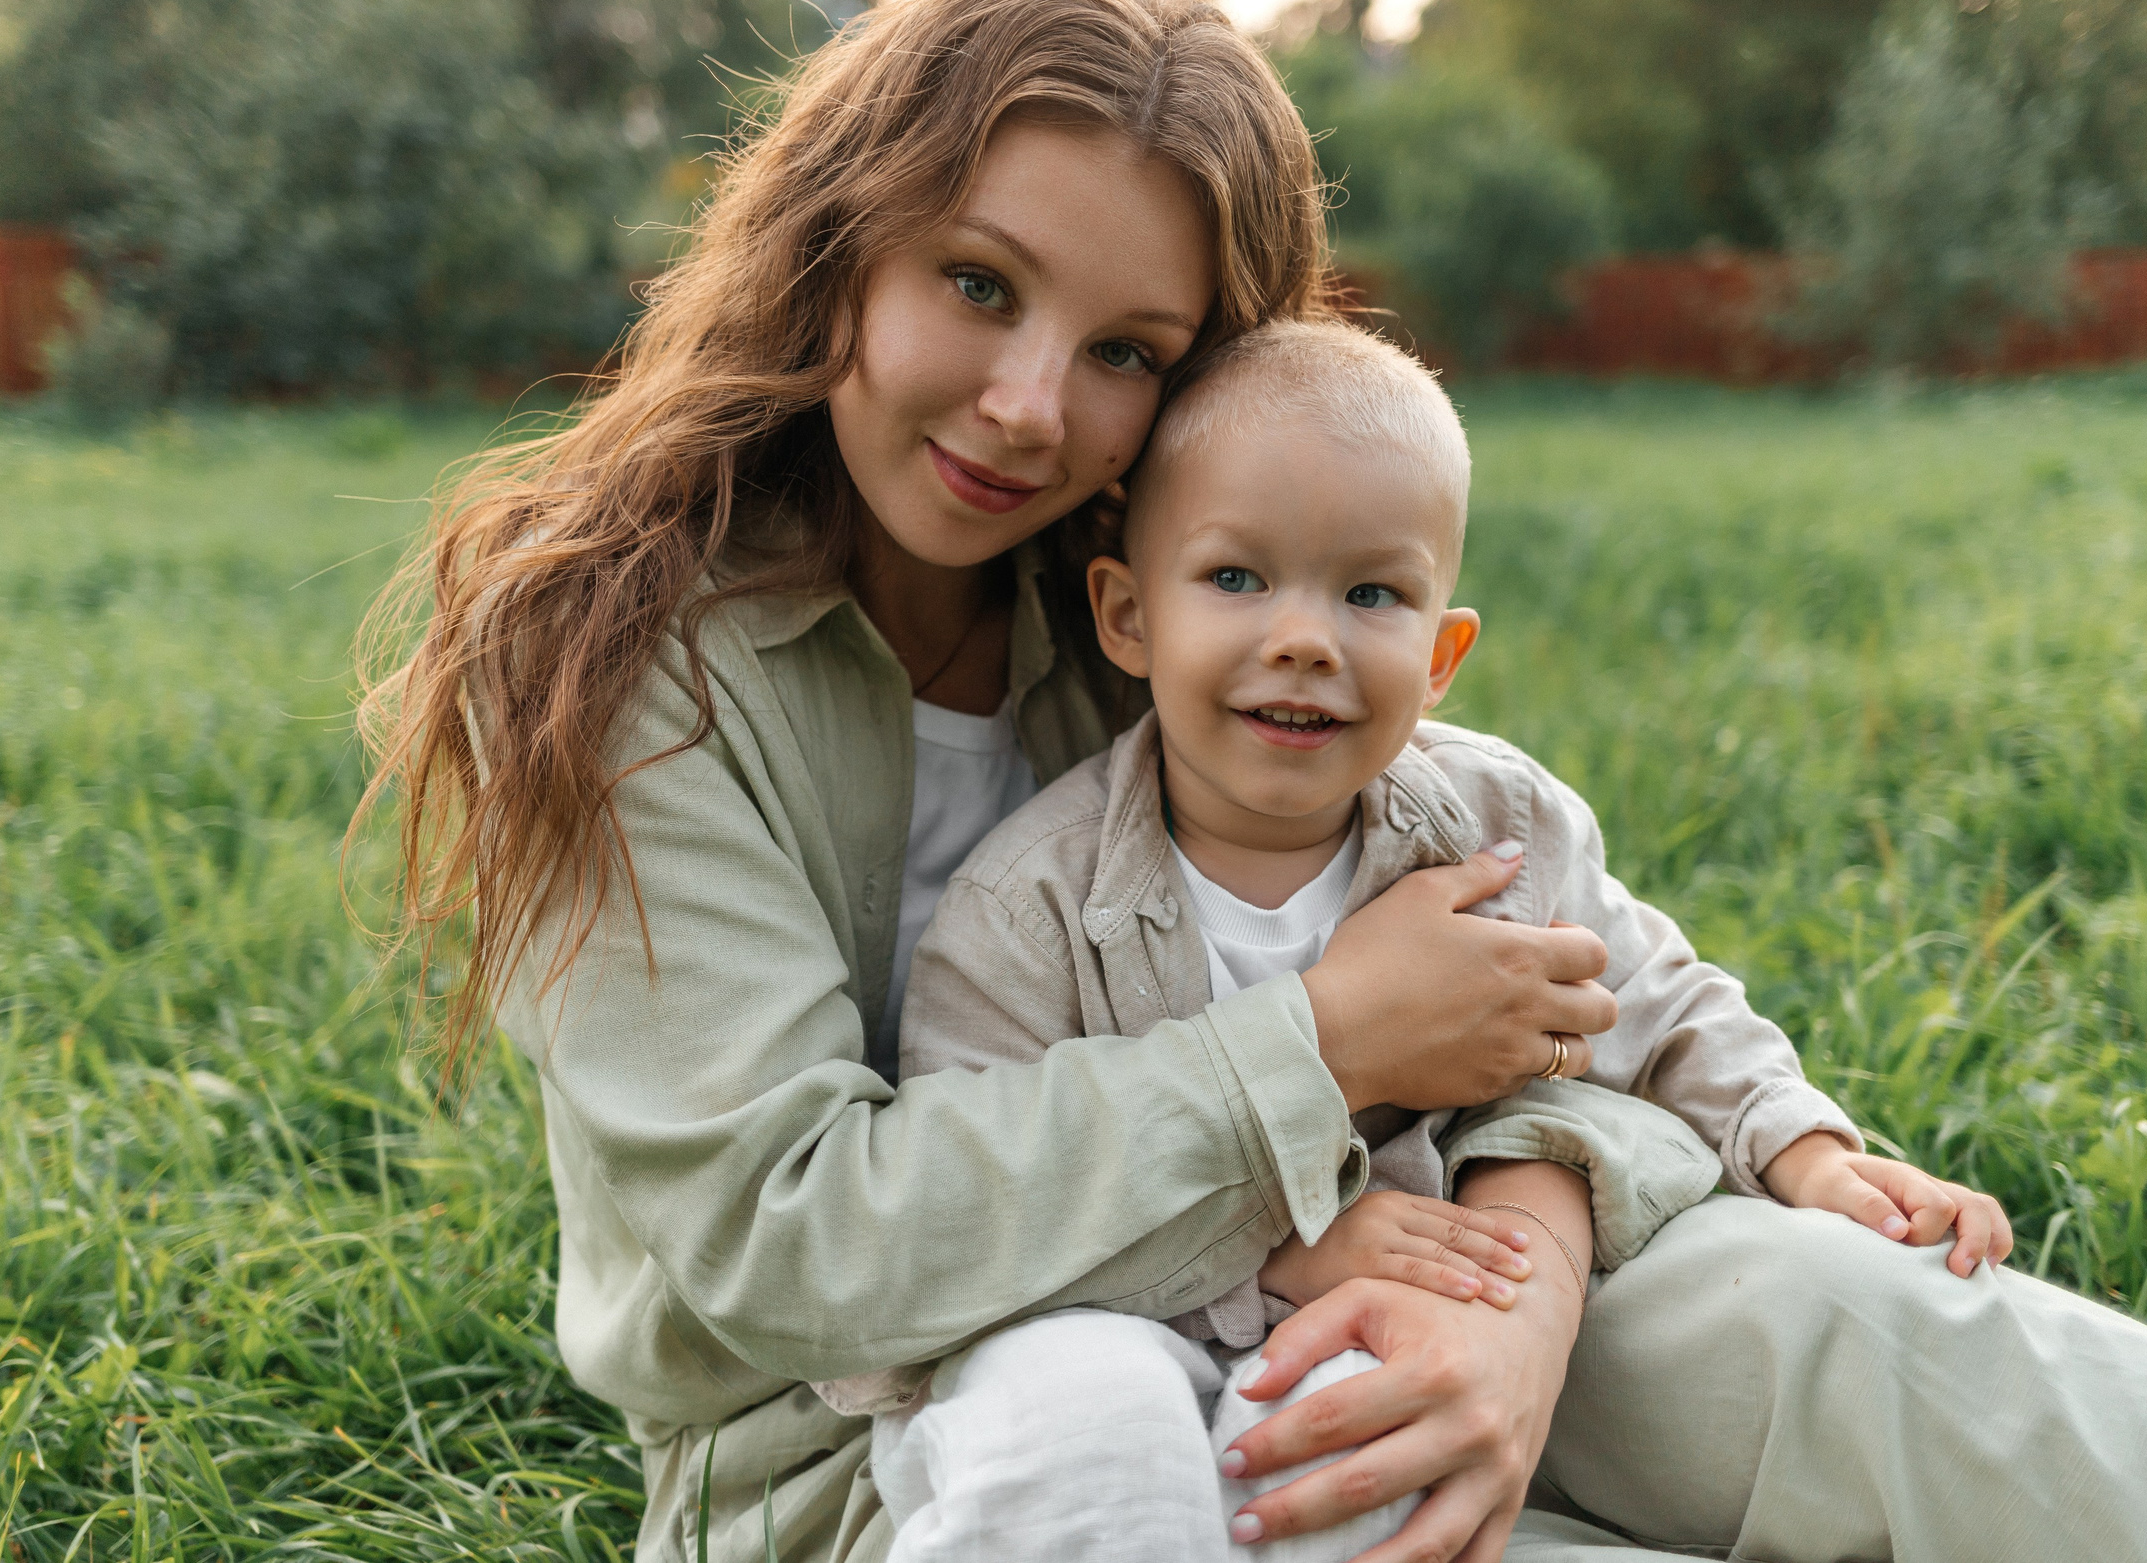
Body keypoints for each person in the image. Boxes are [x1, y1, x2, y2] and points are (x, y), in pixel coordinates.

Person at [355, 0, 2147, 1563]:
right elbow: (791, 1248)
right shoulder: (631, 664)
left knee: (1845, 1324)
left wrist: (1521, 1285)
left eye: (1129, 351)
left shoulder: (1179, 612)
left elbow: (1557, 999)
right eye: (974, 285)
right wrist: (1320, 1051)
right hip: (915, 1448)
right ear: (838, 253)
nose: (1026, 403)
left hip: (1354, 1267)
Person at [859, 318, 2020, 1563]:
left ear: (1440, 654)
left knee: (1363, 1464)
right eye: (1237, 578)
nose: (1304, 637)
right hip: (1094, 1323)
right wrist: (1267, 1247)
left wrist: (1799, 1149)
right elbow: (975, 1206)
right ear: (1127, 616)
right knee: (1090, 1455)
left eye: (1370, 594)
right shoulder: (1027, 904)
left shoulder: (1495, 832)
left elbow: (1657, 1001)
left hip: (1373, 1317)